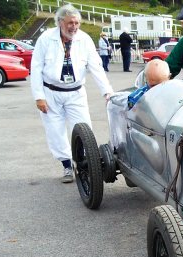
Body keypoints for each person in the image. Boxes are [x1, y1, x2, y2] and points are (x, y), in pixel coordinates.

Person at [31, 4, 114, 183]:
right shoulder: (46, 39)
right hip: (51, 92)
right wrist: (39, 96)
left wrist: (107, 92)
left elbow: (96, 67)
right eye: (70, 23)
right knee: (55, 130)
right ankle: (67, 165)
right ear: (60, 22)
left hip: (76, 92)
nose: (74, 27)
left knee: (84, 127)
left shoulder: (84, 39)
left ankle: (84, 164)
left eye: (77, 23)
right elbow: (36, 68)